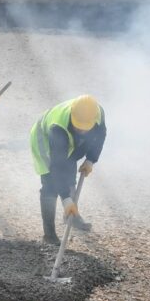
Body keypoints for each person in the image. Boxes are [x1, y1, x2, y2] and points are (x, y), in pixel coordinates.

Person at [30, 95, 107, 245]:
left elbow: (101, 135)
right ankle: (49, 234)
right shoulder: (57, 128)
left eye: (85, 127)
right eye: (78, 125)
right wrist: (66, 199)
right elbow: (57, 166)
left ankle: (72, 216)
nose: (81, 130)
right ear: (72, 114)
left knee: (70, 173)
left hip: (70, 140)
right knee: (50, 185)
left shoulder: (97, 113)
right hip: (44, 140)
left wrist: (91, 159)